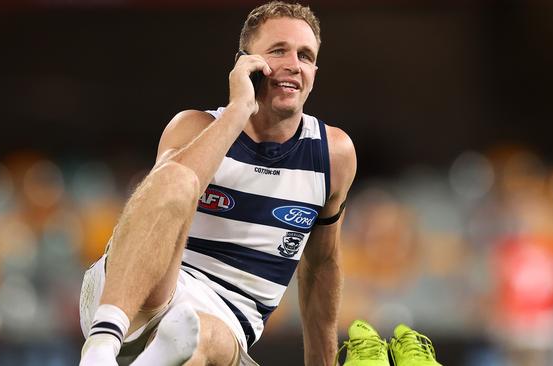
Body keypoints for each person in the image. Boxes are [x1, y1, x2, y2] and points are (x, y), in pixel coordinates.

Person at [78, 1, 356, 365]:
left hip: (221, 328)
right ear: (245, 63)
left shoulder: (332, 154)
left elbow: (321, 268)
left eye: (305, 55)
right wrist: (240, 109)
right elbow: (162, 193)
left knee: (201, 333)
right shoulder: (194, 127)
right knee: (175, 176)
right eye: (278, 51)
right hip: (137, 295)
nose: (293, 64)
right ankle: (100, 347)